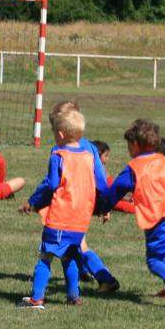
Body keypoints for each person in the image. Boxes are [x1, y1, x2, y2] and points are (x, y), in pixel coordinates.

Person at [17, 109, 108, 309]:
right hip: (80, 220)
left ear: (59, 135)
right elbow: (100, 185)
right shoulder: (89, 156)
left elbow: (51, 184)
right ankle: (73, 296)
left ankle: (37, 299)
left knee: (45, 257)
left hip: (60, 218)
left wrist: (33, 202)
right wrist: (103, 206)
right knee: (71, 256)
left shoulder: (59, 155)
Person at [103, 119, 165, 310]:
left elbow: (117, 189)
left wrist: (103, 206)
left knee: (153, 261)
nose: (128, 149)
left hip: (157, 217)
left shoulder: (134, 167)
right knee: (160, 253)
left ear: (136, 145)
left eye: (128, 145)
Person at [44, 101, 120, 292]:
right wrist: (105, 205)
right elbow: (101, 180)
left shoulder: (60, 150)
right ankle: (83, 272)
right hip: (88, 200)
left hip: (69, 204)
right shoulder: (91, 148)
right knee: (75, 241)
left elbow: (53, 182)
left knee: (75, 243)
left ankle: (105, 278)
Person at [96, 141, 135, 214]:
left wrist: (125, 198)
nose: (108, 158)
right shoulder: (97, 170)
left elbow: (112, 188)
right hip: (103, 198)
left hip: (109, 196)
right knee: (123, 205)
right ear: (97, 156)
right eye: (106, 155)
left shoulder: (102, 168)